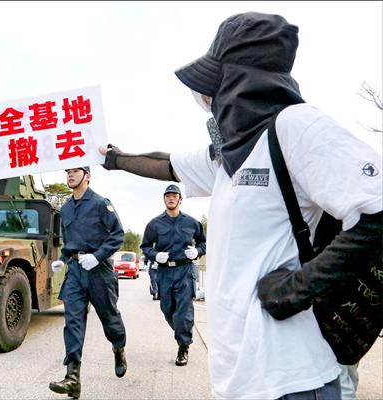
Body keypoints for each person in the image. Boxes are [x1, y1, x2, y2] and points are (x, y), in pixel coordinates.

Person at [100, 12, 382, 399]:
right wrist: (115, 159)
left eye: (213, 85)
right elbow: (167, 162)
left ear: (240, 82)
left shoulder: (295, 127)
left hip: (292, 380)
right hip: (238, 379)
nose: (208, 99)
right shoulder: (227, 159)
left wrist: (298, 288)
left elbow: (377, 212)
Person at [49, 166, 127, 399]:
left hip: (99, 271)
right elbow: (67, 241)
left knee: (109, 318)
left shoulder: (101, 204)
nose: (70, 175)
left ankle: (118, 347)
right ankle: (73, 377)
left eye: (75, 171)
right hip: (75, 272)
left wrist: (98, 256)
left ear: (88, 176)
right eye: (67, 172)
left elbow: (118, 234)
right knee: (72, 321)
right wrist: (62, 260)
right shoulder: (65, 208)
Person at [140, 184, 206, 366]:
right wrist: (155, 255)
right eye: (168, 196)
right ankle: (181, 335)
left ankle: (183, 346)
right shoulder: (154, 224)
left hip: (185, 271)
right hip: (165, 272)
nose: (171, 198)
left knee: (184, 312)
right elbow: (145, 247)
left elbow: (204, 243)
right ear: (164, 199)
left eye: (174, 195)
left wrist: (198, 251)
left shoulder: (192, 223)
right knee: (168, 309)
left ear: (180, 199)